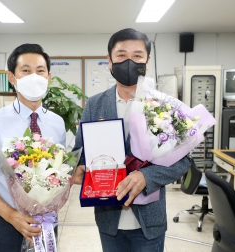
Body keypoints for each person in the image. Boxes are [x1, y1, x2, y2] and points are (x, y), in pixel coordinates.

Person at [72, 28, 191, 252]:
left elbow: (184, 160)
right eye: (121, 55)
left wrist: (147, 176)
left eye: (137, 56)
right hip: (109, 219)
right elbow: (82, 151)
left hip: (149, 221)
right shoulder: (94, 104)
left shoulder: (164, 105)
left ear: (147, 60)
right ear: (109, 61)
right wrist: (78, 167)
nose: (129, 62)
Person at [0, 43, 68, 252]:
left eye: (40, 71)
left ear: (48, 77)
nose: (34, 76)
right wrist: (12, 216)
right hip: (6, 221)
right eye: (26, 70)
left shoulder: (58, 123)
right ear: (12, 78)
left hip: (46, 224)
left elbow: (57, 172)